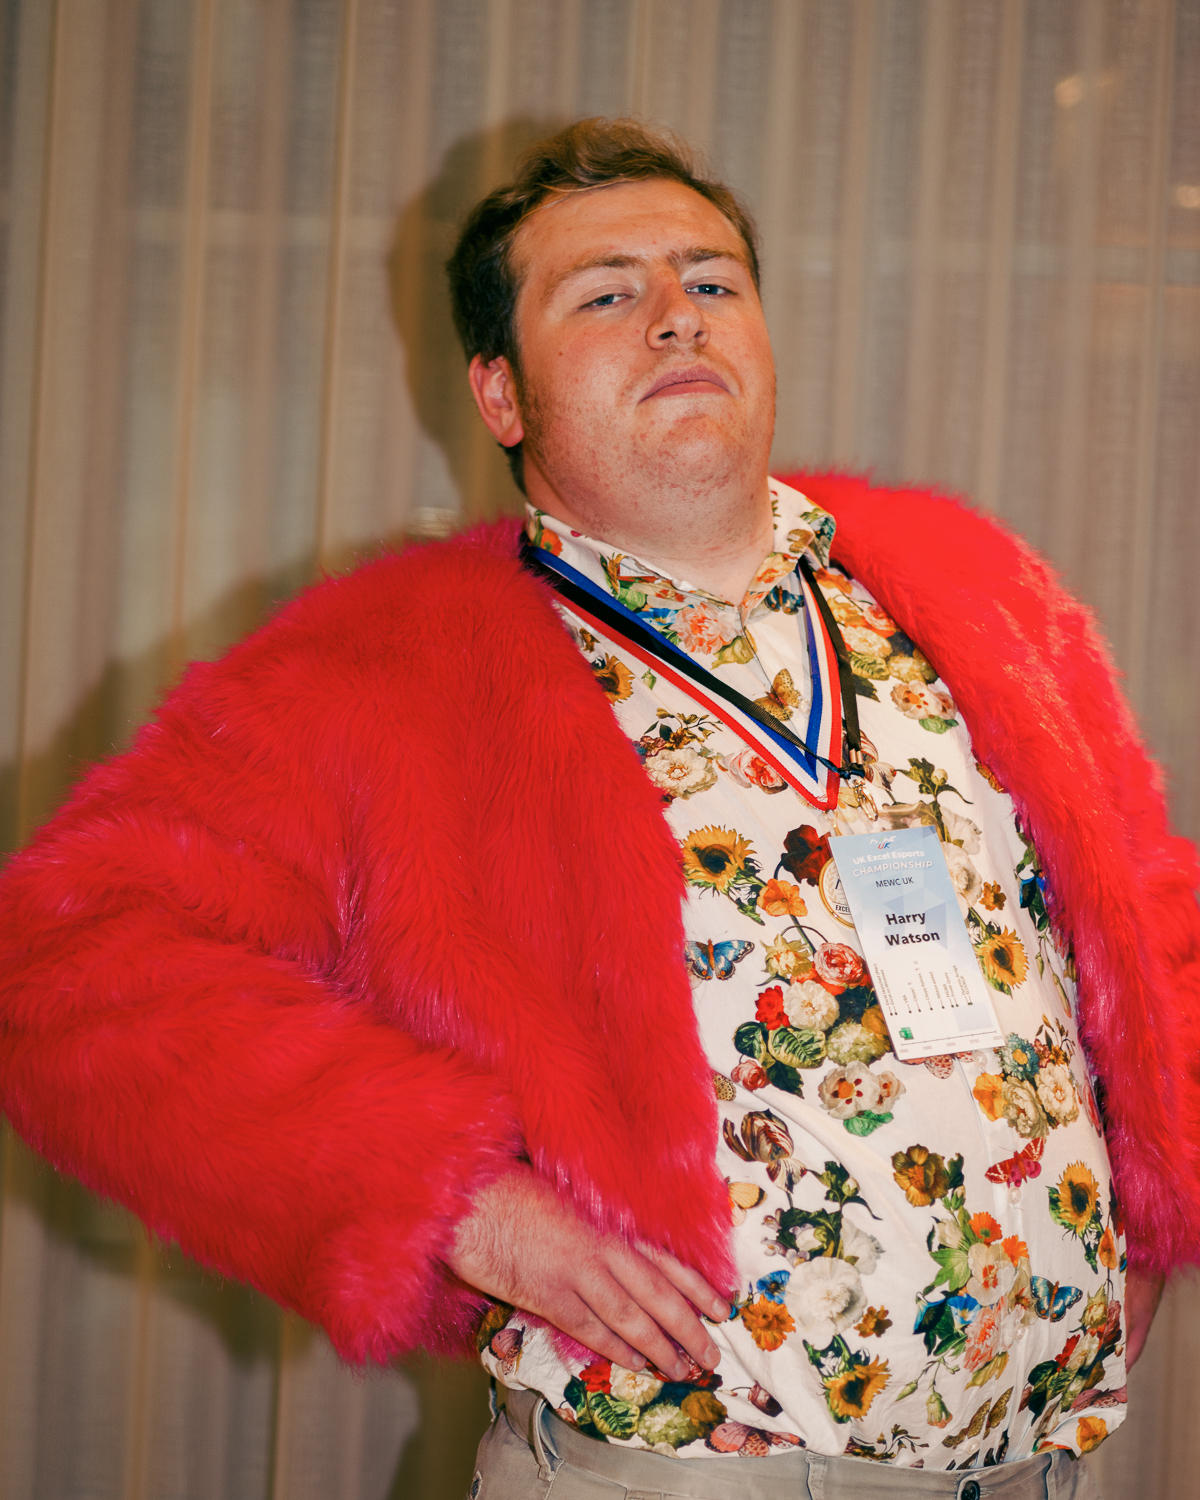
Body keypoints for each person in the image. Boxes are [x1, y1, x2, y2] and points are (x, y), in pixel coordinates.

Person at [0, 119, 1196, 1499]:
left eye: (712, 277)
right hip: (674, 1475)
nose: (677, 311)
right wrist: (465, 1210)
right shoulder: (376, 672)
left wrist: (1153, 1214)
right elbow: (66, 958)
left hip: (1054, 1466)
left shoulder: (976, 586)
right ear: (500, 394)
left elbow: (1150, 915)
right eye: (607, 292)